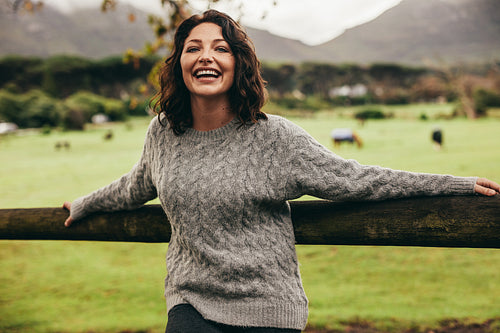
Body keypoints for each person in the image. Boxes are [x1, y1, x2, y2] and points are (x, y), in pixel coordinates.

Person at [62, 10, 500, 333]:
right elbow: (134, 185)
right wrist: (83, 204)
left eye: (221, 48)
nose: (205, 57)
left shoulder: (275, 140)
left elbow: (357, 179)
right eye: (193, 48)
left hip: (267, 309)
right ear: (179, 63)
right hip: (191, 302)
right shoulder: (163, 133)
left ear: (239, 64)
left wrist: (454, 184)